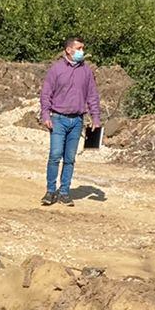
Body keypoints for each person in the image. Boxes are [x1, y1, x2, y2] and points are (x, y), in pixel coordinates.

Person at [37, 37, 101, 206]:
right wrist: (45, 115)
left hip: (77, 120)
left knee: (70, 158)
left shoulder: (86, 71)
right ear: (69, 50)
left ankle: (65, 192)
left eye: (83, 48)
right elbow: (46, 94)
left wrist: (95, 117)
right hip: (58, 118)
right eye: (79, 48)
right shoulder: (56, 70)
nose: (82, 51)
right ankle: (50, 191)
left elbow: (92, 96)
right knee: (55, 155)